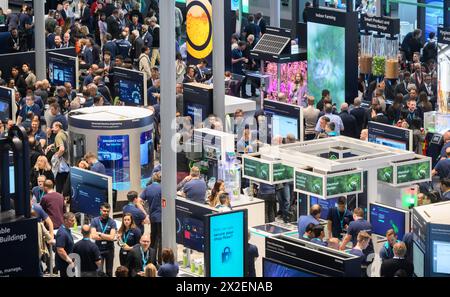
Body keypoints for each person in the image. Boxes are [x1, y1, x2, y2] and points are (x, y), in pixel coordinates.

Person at [90, 202, 117, 277]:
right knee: (99, 271)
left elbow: (112, 238)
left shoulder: (112, 222)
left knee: (109, 271)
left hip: (109, 250)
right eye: (104, 211)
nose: (106, 213)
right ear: (100, 210)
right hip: (98, 249)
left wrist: (100, 234)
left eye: (108, 211)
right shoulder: (94, 221)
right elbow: (93, 236)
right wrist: (107, 236)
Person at [55, 212, 76, 277]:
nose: (74, 222)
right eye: (72, 221)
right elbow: (60, 250)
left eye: (74, 220)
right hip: (65, 265)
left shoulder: (67, 230)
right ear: (65, 221)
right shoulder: (62, 233)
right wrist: (70, 261)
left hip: (68, 264)